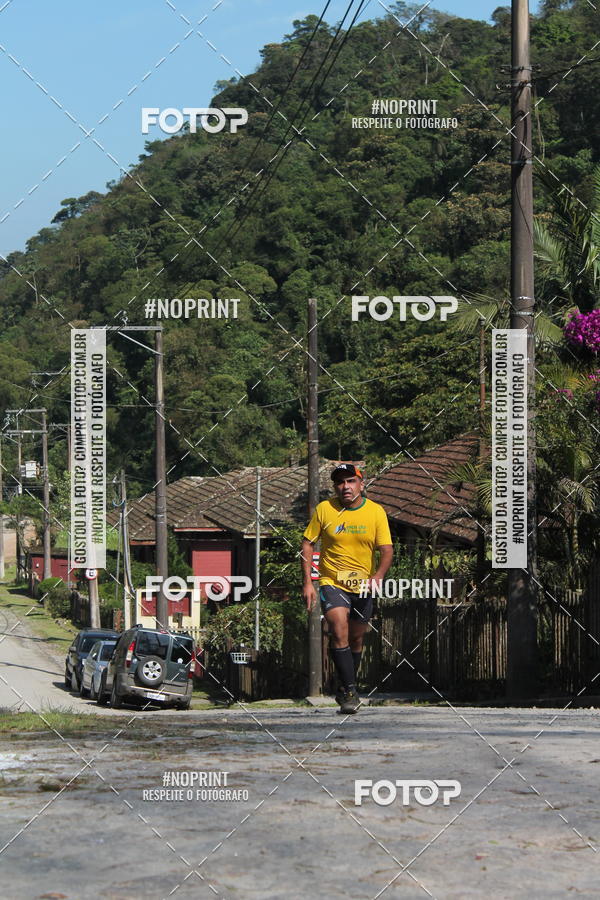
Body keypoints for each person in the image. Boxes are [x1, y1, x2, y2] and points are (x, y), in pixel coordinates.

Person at [301, 463, 393, 714]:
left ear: (361, 484)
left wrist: (378, 576)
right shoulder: (325, 509)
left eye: (351, 481)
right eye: (340, 482)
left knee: (356, 638)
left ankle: (344, 685)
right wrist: (308, 582)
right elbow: (307, 544)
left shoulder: (375, 512)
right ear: (335, 487)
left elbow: (386, 550)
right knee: (338, 627)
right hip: (332, 581)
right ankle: (351, 690)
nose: (345, 487)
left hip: (363, 583)